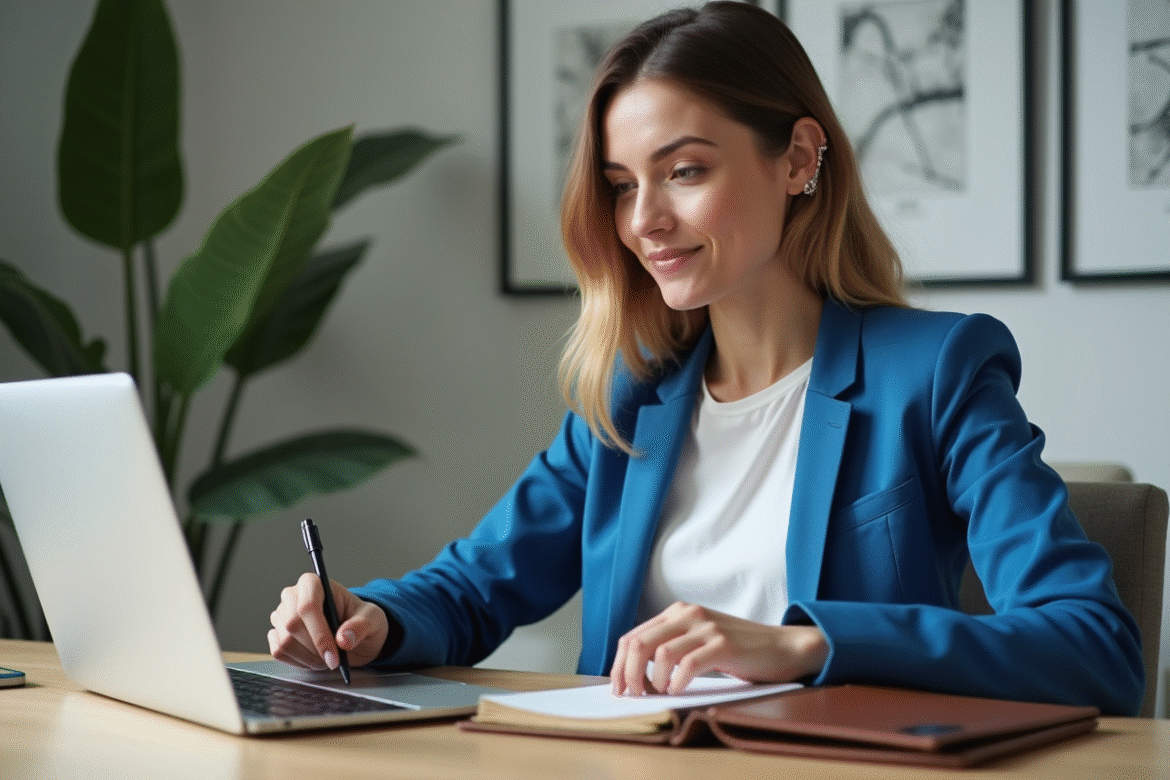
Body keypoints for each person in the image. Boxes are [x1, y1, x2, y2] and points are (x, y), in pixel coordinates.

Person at [268, 2, 1144, 715]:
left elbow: (1092, 645)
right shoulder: (633, 396)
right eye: (620, 186)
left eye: (683, 170)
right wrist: (370, 618)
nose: (642, 219)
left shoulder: (939, 369)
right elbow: (473, 589)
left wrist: (805, 645)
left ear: (798, 159)